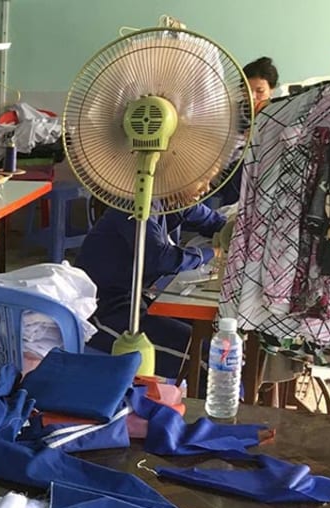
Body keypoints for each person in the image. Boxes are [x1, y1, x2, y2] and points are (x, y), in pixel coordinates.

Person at [76, 201, 225, 378]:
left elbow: (212, 222)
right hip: (104, 310)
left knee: (217, 336)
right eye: (202, 183)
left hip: (138, 298)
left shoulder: (174, 200)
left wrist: (230, 230)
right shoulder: (133, 205)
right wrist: (213, 252)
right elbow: (161, 259)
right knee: (209, 359)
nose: (205, 189)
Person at [216, 57, 280, 205]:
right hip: (225, 178)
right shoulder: (229, 114)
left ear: (272, 90)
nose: (252, 97)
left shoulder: (279, 116)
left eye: (260, 91)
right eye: (246, 90)